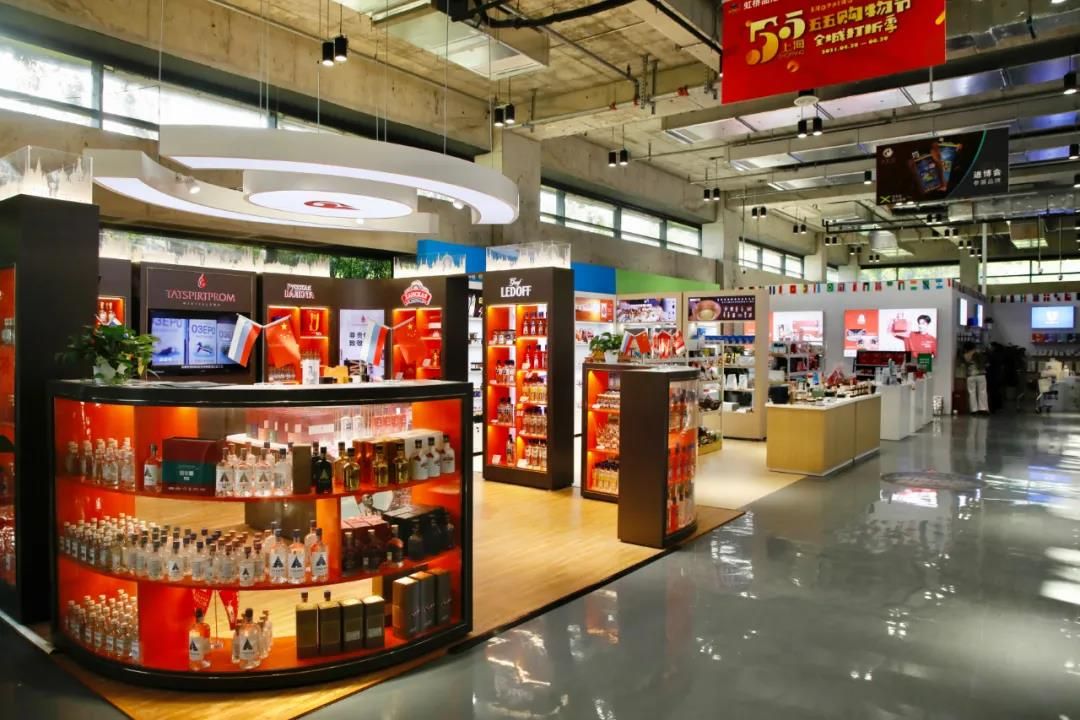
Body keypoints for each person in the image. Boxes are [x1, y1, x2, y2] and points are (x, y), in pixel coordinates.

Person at [960, 342, 989, 415]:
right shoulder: (979, 353)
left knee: (972, 392)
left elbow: (963, 365)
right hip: (981, 375)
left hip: (970, 375)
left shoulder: (965, 355)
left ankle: (974, 410)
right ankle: (983, 409)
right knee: (982, 391)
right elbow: (984, 363)